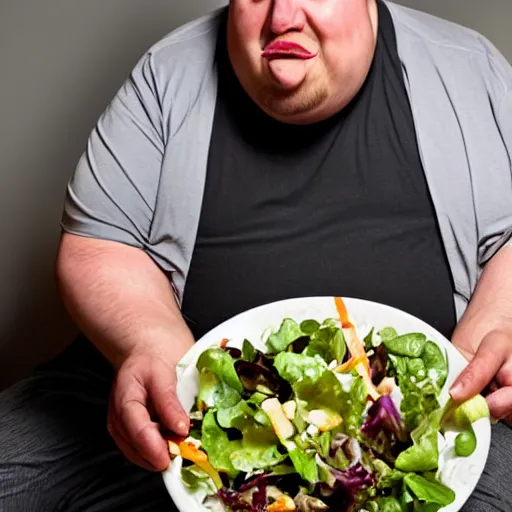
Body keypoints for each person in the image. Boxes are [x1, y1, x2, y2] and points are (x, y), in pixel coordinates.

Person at [1, 0, 512, 510]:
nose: (282, 16)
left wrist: (494, 331)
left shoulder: (469, 69)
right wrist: (151, 344)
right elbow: (100, 243)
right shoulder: (167, 73)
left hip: (431, 416)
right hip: (180, 404)